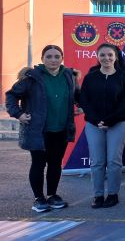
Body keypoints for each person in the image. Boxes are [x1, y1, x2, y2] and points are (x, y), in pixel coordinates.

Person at [5, 45, 79, 213]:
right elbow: (11, 95)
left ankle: (52, 195)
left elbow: (76, 94)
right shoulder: (32, 77)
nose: (53, 60)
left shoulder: (68, 75)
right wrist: (18, 113)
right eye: (49, 57)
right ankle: (39, 198)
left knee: (55, 164)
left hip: (61, 129)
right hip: (39, 130)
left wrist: (79, 105)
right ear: (42, 59)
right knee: (38, 164)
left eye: (56, 56)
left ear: (62, 58)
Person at [79, 43, 125, 209]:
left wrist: (109, 121)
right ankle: (97, 195)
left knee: (113, 161)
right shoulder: (90, 77)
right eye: (102, 55)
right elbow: (84, 101)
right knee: (97, 161)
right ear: (97, 57)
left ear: (116, 57)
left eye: (110, 55)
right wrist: (97, 120)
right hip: (94, 124)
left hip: (118, 124)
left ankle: (112, 194)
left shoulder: (123, 77)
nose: (106, 58)